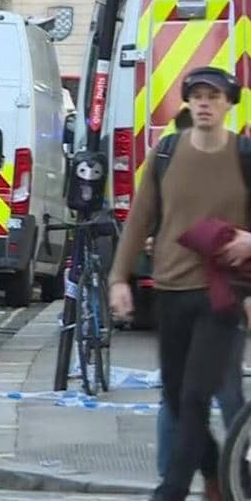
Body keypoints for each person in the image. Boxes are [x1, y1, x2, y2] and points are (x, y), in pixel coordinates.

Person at [108, 66, 251, 501]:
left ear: (229, 104)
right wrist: (119, 278)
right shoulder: (166, 152)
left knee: (194, 397)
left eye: (214, 96)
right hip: (170, 292)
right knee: (174, 397)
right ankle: (219, 473)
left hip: (222, 296)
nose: (205, 103)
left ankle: (170, 491)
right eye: (198, 96)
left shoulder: (244, 155)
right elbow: (139, 220)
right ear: (189, 103)